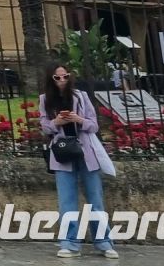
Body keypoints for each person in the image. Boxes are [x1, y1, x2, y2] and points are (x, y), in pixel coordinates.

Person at [40, 63, 119, 258]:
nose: (62, 81)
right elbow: (44, 126)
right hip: (62, 154)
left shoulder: (80, 97)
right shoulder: (45, 100)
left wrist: (79, 120)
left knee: (95, 199)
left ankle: (104, 242)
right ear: (51, 79)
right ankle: (70, 242)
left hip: (86, 153)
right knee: (67, 201)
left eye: (65, 76)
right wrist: (55, 123)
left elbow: (93, 125)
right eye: (57, 78)